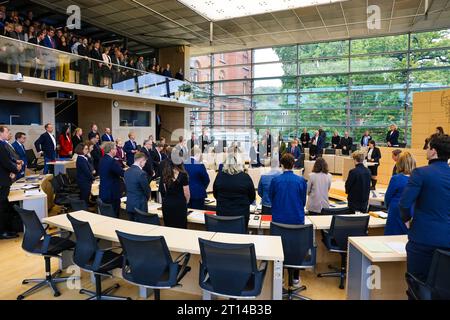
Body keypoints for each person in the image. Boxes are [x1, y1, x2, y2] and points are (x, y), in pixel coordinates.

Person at [399, 135, 450, 283]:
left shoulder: (421, 173)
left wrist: (407, 220)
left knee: (417, 285)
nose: (426, 150)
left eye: (427, 147)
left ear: (433, 151)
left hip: (423, 240)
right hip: (447, 242)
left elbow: (404, 204)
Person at [213, 153, 255, 226]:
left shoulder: (219, 176)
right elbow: (252, 197)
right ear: (237, 165)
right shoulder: (245, 177)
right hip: (241, 216)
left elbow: (215, 194)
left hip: (223, 214)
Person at [269, 153, 307, 224]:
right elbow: (303, 201)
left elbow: (271, 198)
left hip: (278, 220)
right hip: (297, 219)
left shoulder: (275, 180)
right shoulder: (301, 181)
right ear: (293, 165)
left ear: (282, 165)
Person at [384, 151, 416, 236]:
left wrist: (388, 208)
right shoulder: (417, 179)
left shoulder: (396, 179)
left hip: (396, 210)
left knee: (392, 236)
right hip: (411, 210)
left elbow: (387, 197)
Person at [0, 126, 22, 239]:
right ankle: (2, 231)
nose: (9, 133)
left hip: (4, 179)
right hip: (2, 181)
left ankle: (5, 229)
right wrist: (16, 169)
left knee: (4, 206)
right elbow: (5, 162)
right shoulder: (1, 145)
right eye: (7, 131)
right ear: (1, 133)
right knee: (2, 206)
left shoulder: (2, 145)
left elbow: (7, 160)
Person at [160, 158, 190, 229]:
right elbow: (187, 193)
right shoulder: (183, 175)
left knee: (168, 226)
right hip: (179, 204)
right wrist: (186, 202)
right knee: (181, 227)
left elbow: (165, 189)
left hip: (167, 203)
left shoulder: (165, 174)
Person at [99, 142, 124, 217]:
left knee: (106, 215)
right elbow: (122, 173)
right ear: (111, 150)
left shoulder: (102, 159)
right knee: (114, 215)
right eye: (115, 149)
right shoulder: (112, 161)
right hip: (112, 193)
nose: (116, 150)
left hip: (104, 191)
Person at [124, 152, 151, 222]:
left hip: (130, 203)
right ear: (141, 160)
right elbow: (147, 190)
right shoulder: (141, 173)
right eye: (145, 161)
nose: (145, 164)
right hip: (140, 205)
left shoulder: (126, 171)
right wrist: (146, 199)